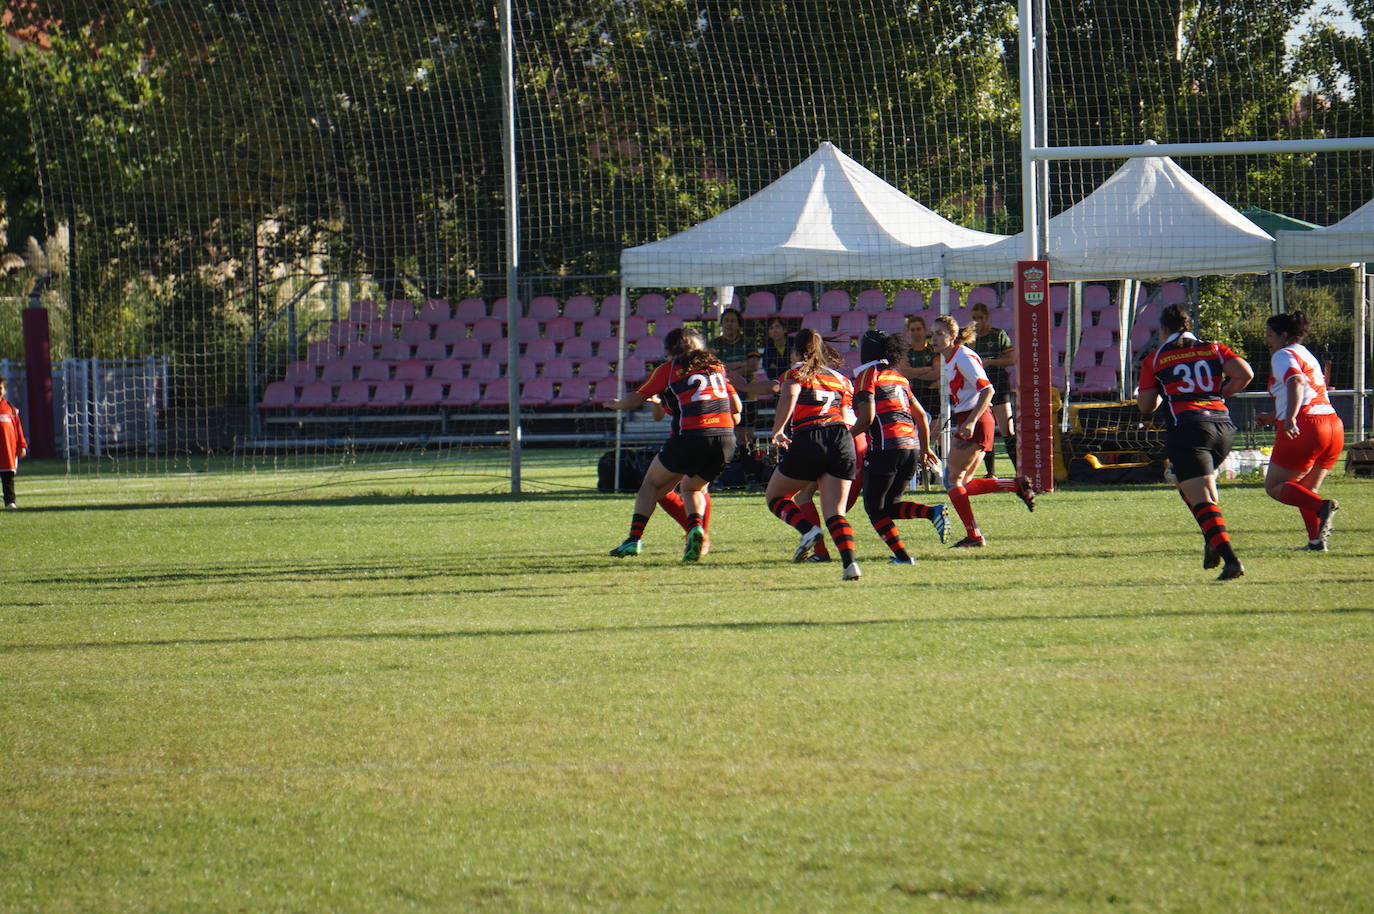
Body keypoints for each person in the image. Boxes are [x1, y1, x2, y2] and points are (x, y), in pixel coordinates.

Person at [1136, 304, 1253, 580]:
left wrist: (1164, 391)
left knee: (1201, 498)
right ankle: (1212, 539)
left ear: (1163, 329)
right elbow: (1245, 373)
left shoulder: (1156, 358)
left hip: (1188, 427)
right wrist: (1221, 393)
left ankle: (1230, 559)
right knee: (1187, 481)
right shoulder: (1213, 348)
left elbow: (1146, 406)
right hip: (1223, 427)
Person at [605, 327, 741, 561]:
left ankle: (634, 539)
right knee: (693, 488)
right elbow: (736, 408)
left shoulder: (669, 370)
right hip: (725, 439)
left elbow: (636, 399)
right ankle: (696, 530)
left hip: (691, 437)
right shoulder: (716, 367)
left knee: (650, 484)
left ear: (669, 350)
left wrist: (615, 405)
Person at [765, 328, 863, 581]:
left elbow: (790, 394)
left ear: (795, 351)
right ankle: (850, 564)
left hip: (810, 437)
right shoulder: (841, 379)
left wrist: (778, 430)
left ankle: (808, 530)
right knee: (835, 513)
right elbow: (848, 416)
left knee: (775, 496)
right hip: (842, 439)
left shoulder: (795, 372)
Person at [929, 314, 1036, 548]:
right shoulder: (950, 358)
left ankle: (974, 535)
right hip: (971, 419)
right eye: (932, 333)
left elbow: (988, 390)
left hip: (975, 420)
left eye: (939, 333)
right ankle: (1015, 485)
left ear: (952, 335)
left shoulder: (963, 357)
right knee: (963, 483)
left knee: (952, 481)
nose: (933, 338)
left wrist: (970, 421)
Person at [850, 332, 946, 562]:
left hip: (886, 448)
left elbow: (867, 419)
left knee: (874, 508)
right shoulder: (898, 378)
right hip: (910, 447)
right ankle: (932, 512)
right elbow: (921, 416)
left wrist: (844, 437)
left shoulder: (867, 375)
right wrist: (925, 448)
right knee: (890, 506)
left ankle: (902, 557)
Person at [1255, 311, 1342, 550]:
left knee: (1274, 486)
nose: (1267, 340)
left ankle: (1322, 507)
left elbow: (1296, 381)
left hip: (1307, 426)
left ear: (1283, 335)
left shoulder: (1283, 354)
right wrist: (1273, 416)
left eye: (1270, 335)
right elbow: (1306, 392)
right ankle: (1316, 542)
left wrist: (1291, 418)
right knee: (1306, 490)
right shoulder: (1305, 353)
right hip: (1332, 425)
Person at [969, 301, 1016, 475]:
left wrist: (990, 362)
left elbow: (1011, 360)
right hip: (979, 385)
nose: (977, 321)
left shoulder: (998, 335)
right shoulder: (969, 338)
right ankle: (991, 473)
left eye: (980, 318)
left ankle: (1019, 471)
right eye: (974, 318)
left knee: (1007, 429)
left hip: (998, 381)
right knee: (986, 429)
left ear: (987, 318)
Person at [709, 307, 759, 454]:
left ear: (739, 324)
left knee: (747, 434)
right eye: (726, 321)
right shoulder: (714, 344)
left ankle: (749, 458)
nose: (729, 324)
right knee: (726, 429)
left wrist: (727, 368)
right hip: (722, 393)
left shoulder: (748, 342)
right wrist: (741, 364)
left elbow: (754, 366)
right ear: (721, 324)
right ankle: (729, 458)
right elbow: (712, 368)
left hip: (747, 391)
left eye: (733, 321)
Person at [0, 377, 27, 510]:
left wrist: (22, 445)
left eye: (0, 388)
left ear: (4, 390)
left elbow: (18, 429)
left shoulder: (11, 409)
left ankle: (10, 501)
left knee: (8, 477)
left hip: (7, 450)